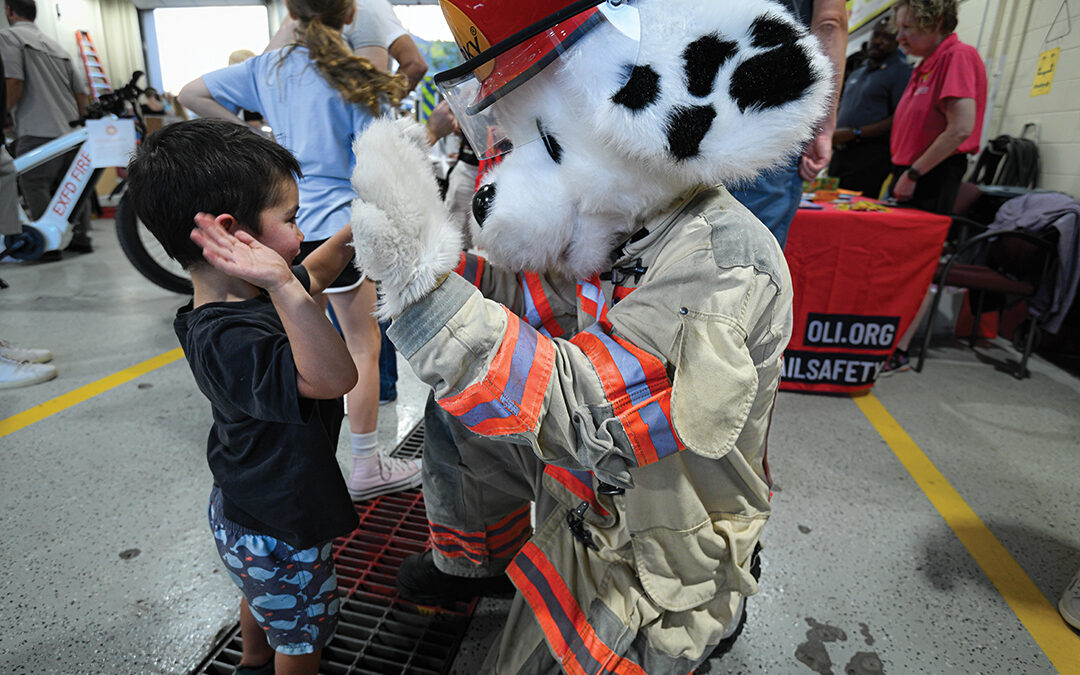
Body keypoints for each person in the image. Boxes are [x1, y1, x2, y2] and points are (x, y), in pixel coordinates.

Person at [126, 119, 360, 675]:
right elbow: (333, 378)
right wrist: (283, 285)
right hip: (277, 519)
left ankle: (253, 659)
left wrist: (365, 226)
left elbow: (318, 270)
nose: (301, 232)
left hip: (249, 503)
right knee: (301, 636)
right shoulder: (227, 337)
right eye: (291, 218)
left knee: (265, 598)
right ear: (235, 233)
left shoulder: (249, 295)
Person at [179, 0, 421, 502]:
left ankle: (303, 460)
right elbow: (376, 162)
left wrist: (254, 141)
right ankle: (367, 464)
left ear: (291, 12)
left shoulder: (265, 68)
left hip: (282, 224)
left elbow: (191, 93)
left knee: (297, 347)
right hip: (341, 225)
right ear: (349, 16)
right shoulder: (356, 76)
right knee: (360, 346)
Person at [729, 0, 848, 247]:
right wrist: (823, 127)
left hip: (692, 93)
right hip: (770, 107)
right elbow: (830, 22)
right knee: (748, 250)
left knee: (680, 236)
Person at [1, 0, 92, 255]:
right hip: (72, 131)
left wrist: (3, 114)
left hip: (38, 127)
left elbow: (14, 82)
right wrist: (83, 125)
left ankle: (45, 245)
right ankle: (81, 239)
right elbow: (80, 93)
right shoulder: (57, 46)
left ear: (9, 11)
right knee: (72, 185)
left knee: (34, 183)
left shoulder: (9, 38)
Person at [888, 0, 986, 215]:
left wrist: (914, 174)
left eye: (907, 27)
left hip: (929, 175)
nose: (899, 37)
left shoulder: (957, 55)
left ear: (936, 23)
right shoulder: (925, 64)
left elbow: (960, 129)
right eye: (899, 28)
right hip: (910, 172)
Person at [829, 17, 912, 198]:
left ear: (897, 40)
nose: (879, 41)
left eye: (887, 37)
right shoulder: (858, 70)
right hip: (841, 153)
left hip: (869, 156)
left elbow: (899, 117)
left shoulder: (901, 72)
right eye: (877, 35)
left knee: (854, 212)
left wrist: (856, 132)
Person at [265, 0, 427, 90]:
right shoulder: (300, 11)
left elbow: (414, 64)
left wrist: (380, 104)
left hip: (358, 136)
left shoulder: (369, 5)